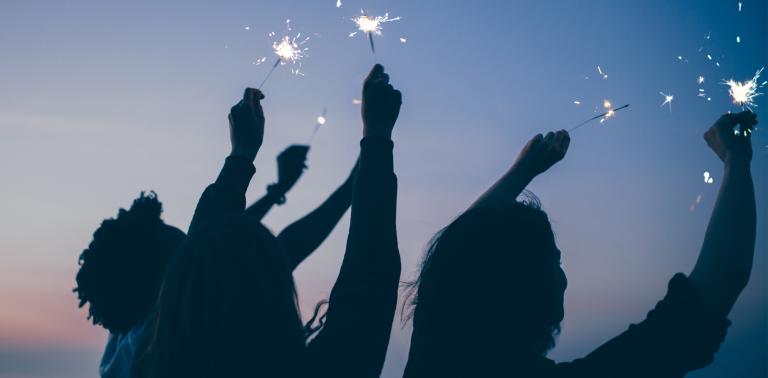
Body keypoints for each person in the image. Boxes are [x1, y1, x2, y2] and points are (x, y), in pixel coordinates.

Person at [403, 111, 758, 377]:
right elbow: (723, 276)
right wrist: (736, 160)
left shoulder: (434, 356)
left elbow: (458, 255)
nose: (564, 278)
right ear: (524, 290)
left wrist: (522, 171)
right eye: (554, 263)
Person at [137, 64, 402, 377]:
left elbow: (210, 255)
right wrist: (376, 142)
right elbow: (369, 277)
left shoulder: (150, 363)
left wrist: (243, 158)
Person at [76, 144, 356, 378]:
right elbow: (277, 247)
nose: (189, 239)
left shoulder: (126, 341)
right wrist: (354, 184)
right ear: (156, 272)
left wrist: (276, 191)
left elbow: (223, 237)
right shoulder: (153, 342)